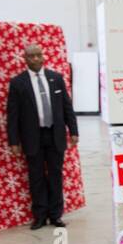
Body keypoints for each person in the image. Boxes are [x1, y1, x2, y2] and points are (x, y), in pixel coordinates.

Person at [6, 44, 78, 230]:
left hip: (55, 135)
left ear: (43, 56)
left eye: (39, 55)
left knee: (55, 175)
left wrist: (74, 130)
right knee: (36, 177)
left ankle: (56, 215)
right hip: (32, 137)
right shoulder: (17, 83)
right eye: (31, 56)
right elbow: (12, 115)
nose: (36, 59)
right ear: (25, 59)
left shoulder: (56, 78)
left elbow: (67, 107)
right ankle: (39, 216)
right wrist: (14, 141)